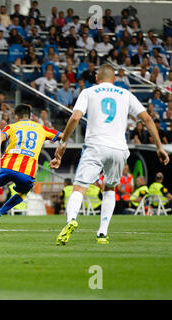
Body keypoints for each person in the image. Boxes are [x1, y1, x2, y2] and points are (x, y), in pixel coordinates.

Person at [50, 64, 169, 245]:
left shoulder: (89, 92)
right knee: (110, 188)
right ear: (115, 79)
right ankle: (102, 233)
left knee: (79, 188)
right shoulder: (126, 94)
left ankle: (71, 220)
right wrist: (159, 146)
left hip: (95, 146)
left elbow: (75, 118)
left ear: (97, 79)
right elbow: (147, 119)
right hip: (119, 149)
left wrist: (63, 142)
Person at [0, 104, 61, 232]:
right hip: (27, 171)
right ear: (30, 116)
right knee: (22, 193)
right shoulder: (41, 128)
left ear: (16, 116)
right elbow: (63, 136)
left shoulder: (12, 126)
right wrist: (58, 155)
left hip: (7, 166)